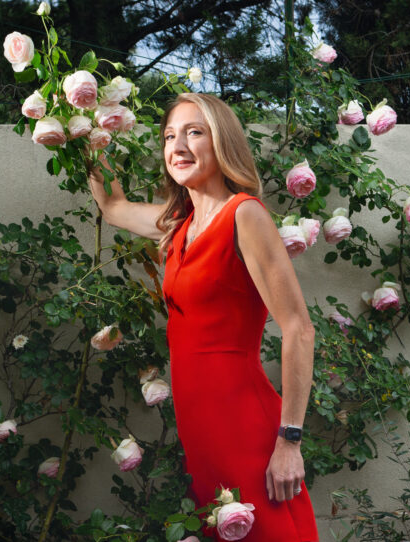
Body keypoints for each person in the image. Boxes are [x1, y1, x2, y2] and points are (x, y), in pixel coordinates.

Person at [88, 93, 318, 541]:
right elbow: (113, 207)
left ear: (221, 142)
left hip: (243, 424)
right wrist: (87, 133)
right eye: (171, 136)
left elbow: (299, 329)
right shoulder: (178, 225)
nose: (179, 146)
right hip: (200, 427)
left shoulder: (244, 215)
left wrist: (289, 440)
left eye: (195, 132)